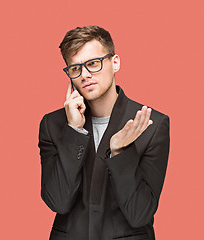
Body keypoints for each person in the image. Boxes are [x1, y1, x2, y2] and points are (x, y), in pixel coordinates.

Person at [38, 25, 170, 240]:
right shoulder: (52, 124)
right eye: (75, 68)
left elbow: (140, 214)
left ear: (115, 62)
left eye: (93, 63)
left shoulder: (152, 124)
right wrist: (74, 131)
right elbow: (58, 201)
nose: (85, 75)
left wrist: (119, 154)